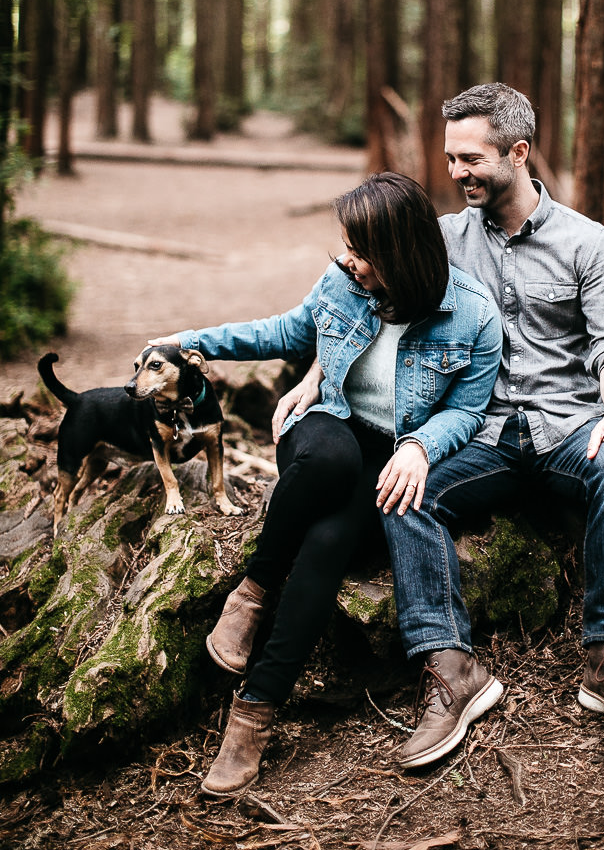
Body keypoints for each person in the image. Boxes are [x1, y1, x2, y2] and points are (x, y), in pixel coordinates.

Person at [277, 84, 604, 770]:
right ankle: (452, 670)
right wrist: (317, 373)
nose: (456, 172)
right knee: (403, 489)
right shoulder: (441, 240)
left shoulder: (587, 242)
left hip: (566, 428)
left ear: (518, 153)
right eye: (450, 158)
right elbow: (363, 301)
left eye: (470, 158)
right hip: (477, 434)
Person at [151, 172, 502, 797]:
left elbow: (468, 410)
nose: (347, 259)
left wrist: (420, 446)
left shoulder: (472, 314)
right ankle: (253, 592)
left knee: (329, 542)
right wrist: (190, 341)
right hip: (326, 428)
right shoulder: (342, 282)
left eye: (360, 251)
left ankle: (254, 713)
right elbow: (284, 332)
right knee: (333, 463)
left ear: (399, 254)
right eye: (347, 246)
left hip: (388, 453)